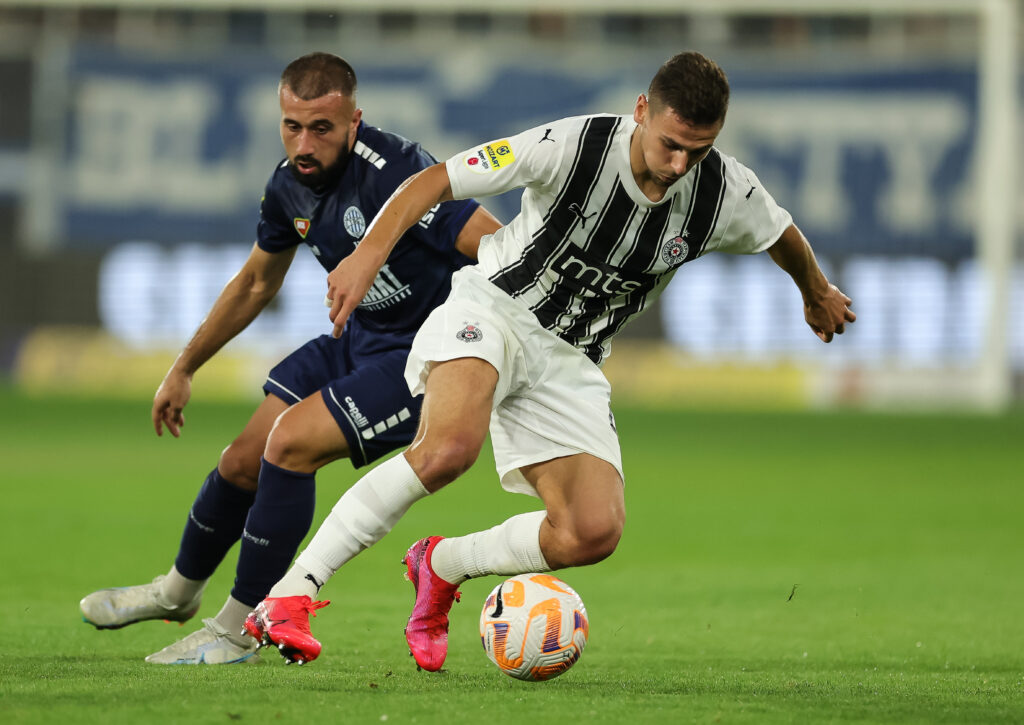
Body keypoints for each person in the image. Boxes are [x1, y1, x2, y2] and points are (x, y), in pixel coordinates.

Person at [243, 51, 856, 670]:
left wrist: (816, 291)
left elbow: (781, 233)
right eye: (670, 144)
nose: (678, 165)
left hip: (571, 358)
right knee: (449, 449)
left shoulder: (725, 190)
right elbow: (436, 181)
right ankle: (289, 595)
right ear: (641, 111)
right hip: (494, 308)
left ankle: (440, 564)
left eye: (697, 151)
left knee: (592, 531)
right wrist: (368, 255)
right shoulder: (569, 145)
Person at [78, 52, 501, 665]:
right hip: (356, 339)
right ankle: (176, 592)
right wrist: (185, 366)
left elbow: (495, 244)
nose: (304, 143)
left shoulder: (400, 172)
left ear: (355, 121)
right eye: (291, 126)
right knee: (243, 458)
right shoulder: (287, 184)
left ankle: (235, 631)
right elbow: (255, 283)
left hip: (423, 361)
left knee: (291, 444)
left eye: (322, 129)